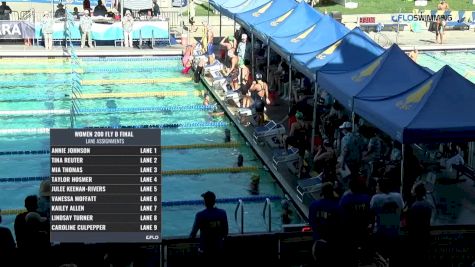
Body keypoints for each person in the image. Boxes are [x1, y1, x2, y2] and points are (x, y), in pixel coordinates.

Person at [190, 191, 228, 267]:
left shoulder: (200, 215)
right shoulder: (222, 213)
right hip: (218, 249)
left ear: (205, 202)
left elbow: (193, 234)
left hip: (205, 250)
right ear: (214, 201)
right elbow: (225, 232)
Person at [308, 182, 340, 266]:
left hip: (318, 240)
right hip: (334, 240)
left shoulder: (314, 205)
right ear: (332, 191)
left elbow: (312, 222)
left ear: (321, 192)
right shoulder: (338, 205)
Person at [407, 183, 433, 266]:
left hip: (415, 235)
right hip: (426, 233)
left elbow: (411, 222)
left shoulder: (414, 206)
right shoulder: (428, 205)